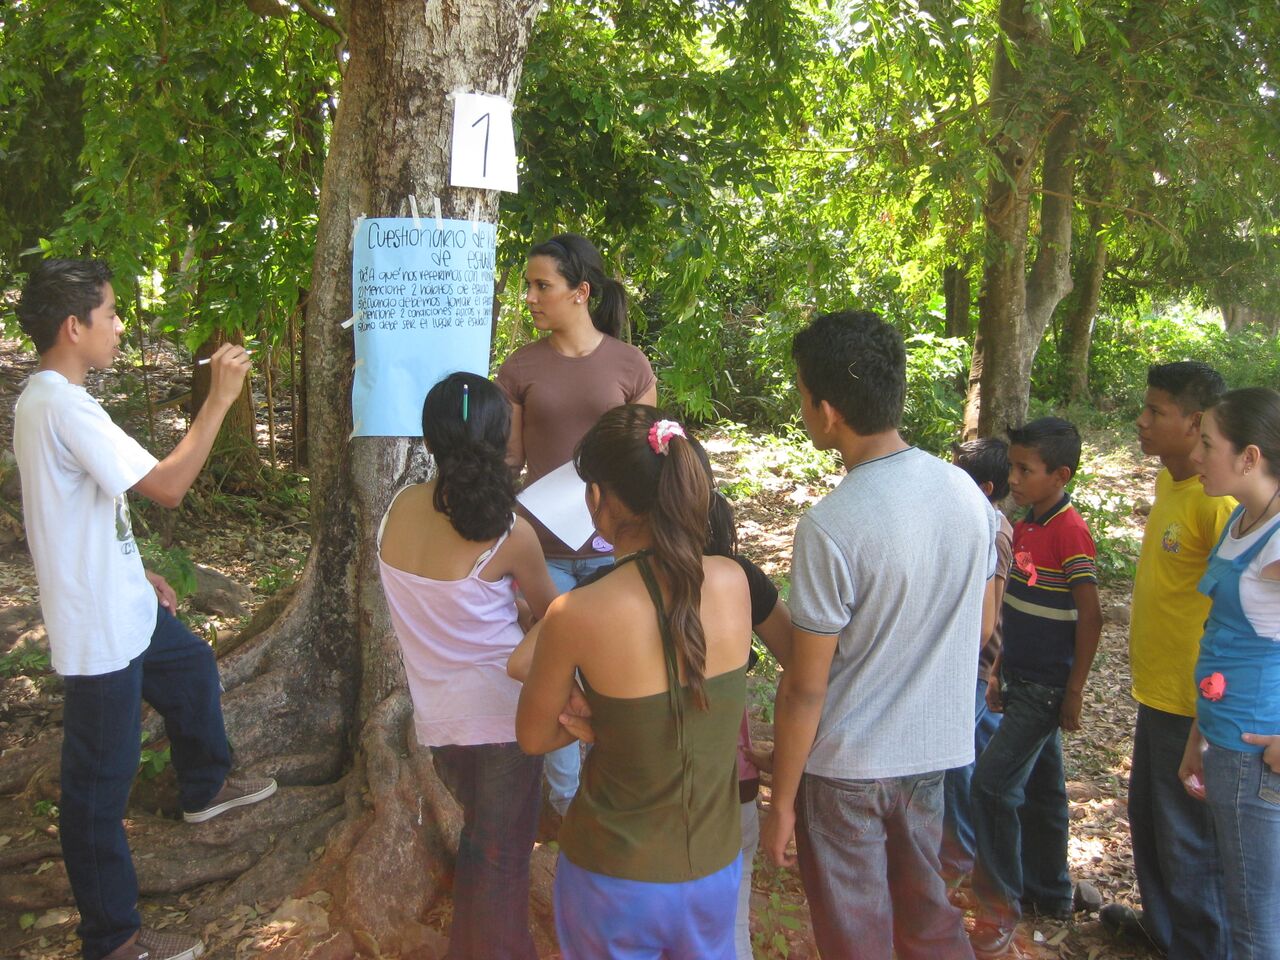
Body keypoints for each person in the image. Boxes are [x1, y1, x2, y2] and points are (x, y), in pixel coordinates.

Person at [13, 259, 276, 960]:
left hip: (123, 598)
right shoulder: (63, 405)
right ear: (75, 327)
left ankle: (205, 786)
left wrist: (141, 566)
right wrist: (218, 400)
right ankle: (114, 939)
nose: (122, 326)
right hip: (97, 628)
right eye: (112, 314)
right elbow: (166, 486)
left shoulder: (51, 397)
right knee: (97, 790)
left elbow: (86, 505)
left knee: (190, 667)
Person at [761, 310, 998, 960]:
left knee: (854, 935)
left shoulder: (833, 526)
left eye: (802, 392)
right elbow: (980, 627)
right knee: (929, 918)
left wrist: (781, 801)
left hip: (843, 772)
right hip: (931, 757)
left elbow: (805, 688)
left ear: (827, 410)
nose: (802, 405)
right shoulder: (967, 495)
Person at [512, 406, 751, 959]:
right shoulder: (733, 581)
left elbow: (533, 736)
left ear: (597, 499)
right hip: (715, 868)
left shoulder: (578, 612)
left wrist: (602, 724)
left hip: (613, 875)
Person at [377, 372, 557, 960]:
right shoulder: (509, 534)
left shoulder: (396, 510)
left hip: (440, 724)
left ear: (429, 441)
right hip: (506, 720)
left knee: (484, 844)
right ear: (502, 440)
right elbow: (556, 616)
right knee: (500, 857)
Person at [495, 233, 657, 823]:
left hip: (619, 552)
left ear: (580, 293)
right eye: (529, 287)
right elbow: (507, 460)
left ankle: (615, 797)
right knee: (556, 679)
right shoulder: (518, 369)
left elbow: (647, 459)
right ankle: (569, 811)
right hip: (545, 555)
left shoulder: (628, 365)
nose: (532, 298)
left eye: (543, 286)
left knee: (617, 675)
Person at [1103, 362, 1234, 957]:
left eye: (1157, 411)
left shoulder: (1220, 504)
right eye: (1145, 407)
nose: (1142, 420)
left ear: (1197, 421)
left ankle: (1203, 945)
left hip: (1195, 700)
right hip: (1156, 691)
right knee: (1152, 825)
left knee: (1188, 839)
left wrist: (1213, 702)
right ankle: (1165, 933)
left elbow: (1242, 613)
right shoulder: (1169, 481)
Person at [969, 417, 1103, 959]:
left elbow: (1090, 617)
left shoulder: (1071, 531)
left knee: (992, 787)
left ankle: (1000, 904)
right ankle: (1051, 889)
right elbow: (1018, 611)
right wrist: (999, 667)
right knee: (1045, 791)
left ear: (1060, 473)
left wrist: (1073, 690)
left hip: (1047, 687)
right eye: (1014, 467)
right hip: (1019, 674)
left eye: (1026, 469)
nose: (1015, 478)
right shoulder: (1025, 525)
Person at [1178, 387, 1280, 960]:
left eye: (1209, 445)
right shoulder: (1242, 517)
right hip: (1224, 738)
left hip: (1256, 751)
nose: (1196, 456)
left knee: (1253, 927)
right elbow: (1222, 636)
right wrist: (1199, 736)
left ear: (1250, 457)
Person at [941, 438, 1014, 886]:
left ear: (985, 487)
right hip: (960, 663)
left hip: (978, 666)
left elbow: (991, 614)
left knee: (962, 767)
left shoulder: (995, 530)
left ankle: (964, 862)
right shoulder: (968, 520)